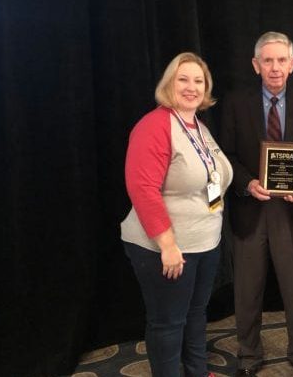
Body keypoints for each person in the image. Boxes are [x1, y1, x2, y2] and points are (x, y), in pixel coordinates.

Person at [120, 52, 233, 377]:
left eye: (198, 81)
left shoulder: (196, 125)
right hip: (165, 248)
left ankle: (197, 372)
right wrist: (168, 245)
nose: (191, 87)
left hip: (204, 243)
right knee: (168, 323)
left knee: (196, 314)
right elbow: (142, 189)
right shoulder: (154, 125)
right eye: (183, 79)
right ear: (169, 83)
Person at [219, 32, 293, 377]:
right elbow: (226, 155)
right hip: (250, 207)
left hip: (290, 211)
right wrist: (247, 182)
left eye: (281, 60)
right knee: (247, 290)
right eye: (267, 60)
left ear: (292, 65)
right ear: (255, 65)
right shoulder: (235, 103)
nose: (274, 67)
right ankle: (248, 356)